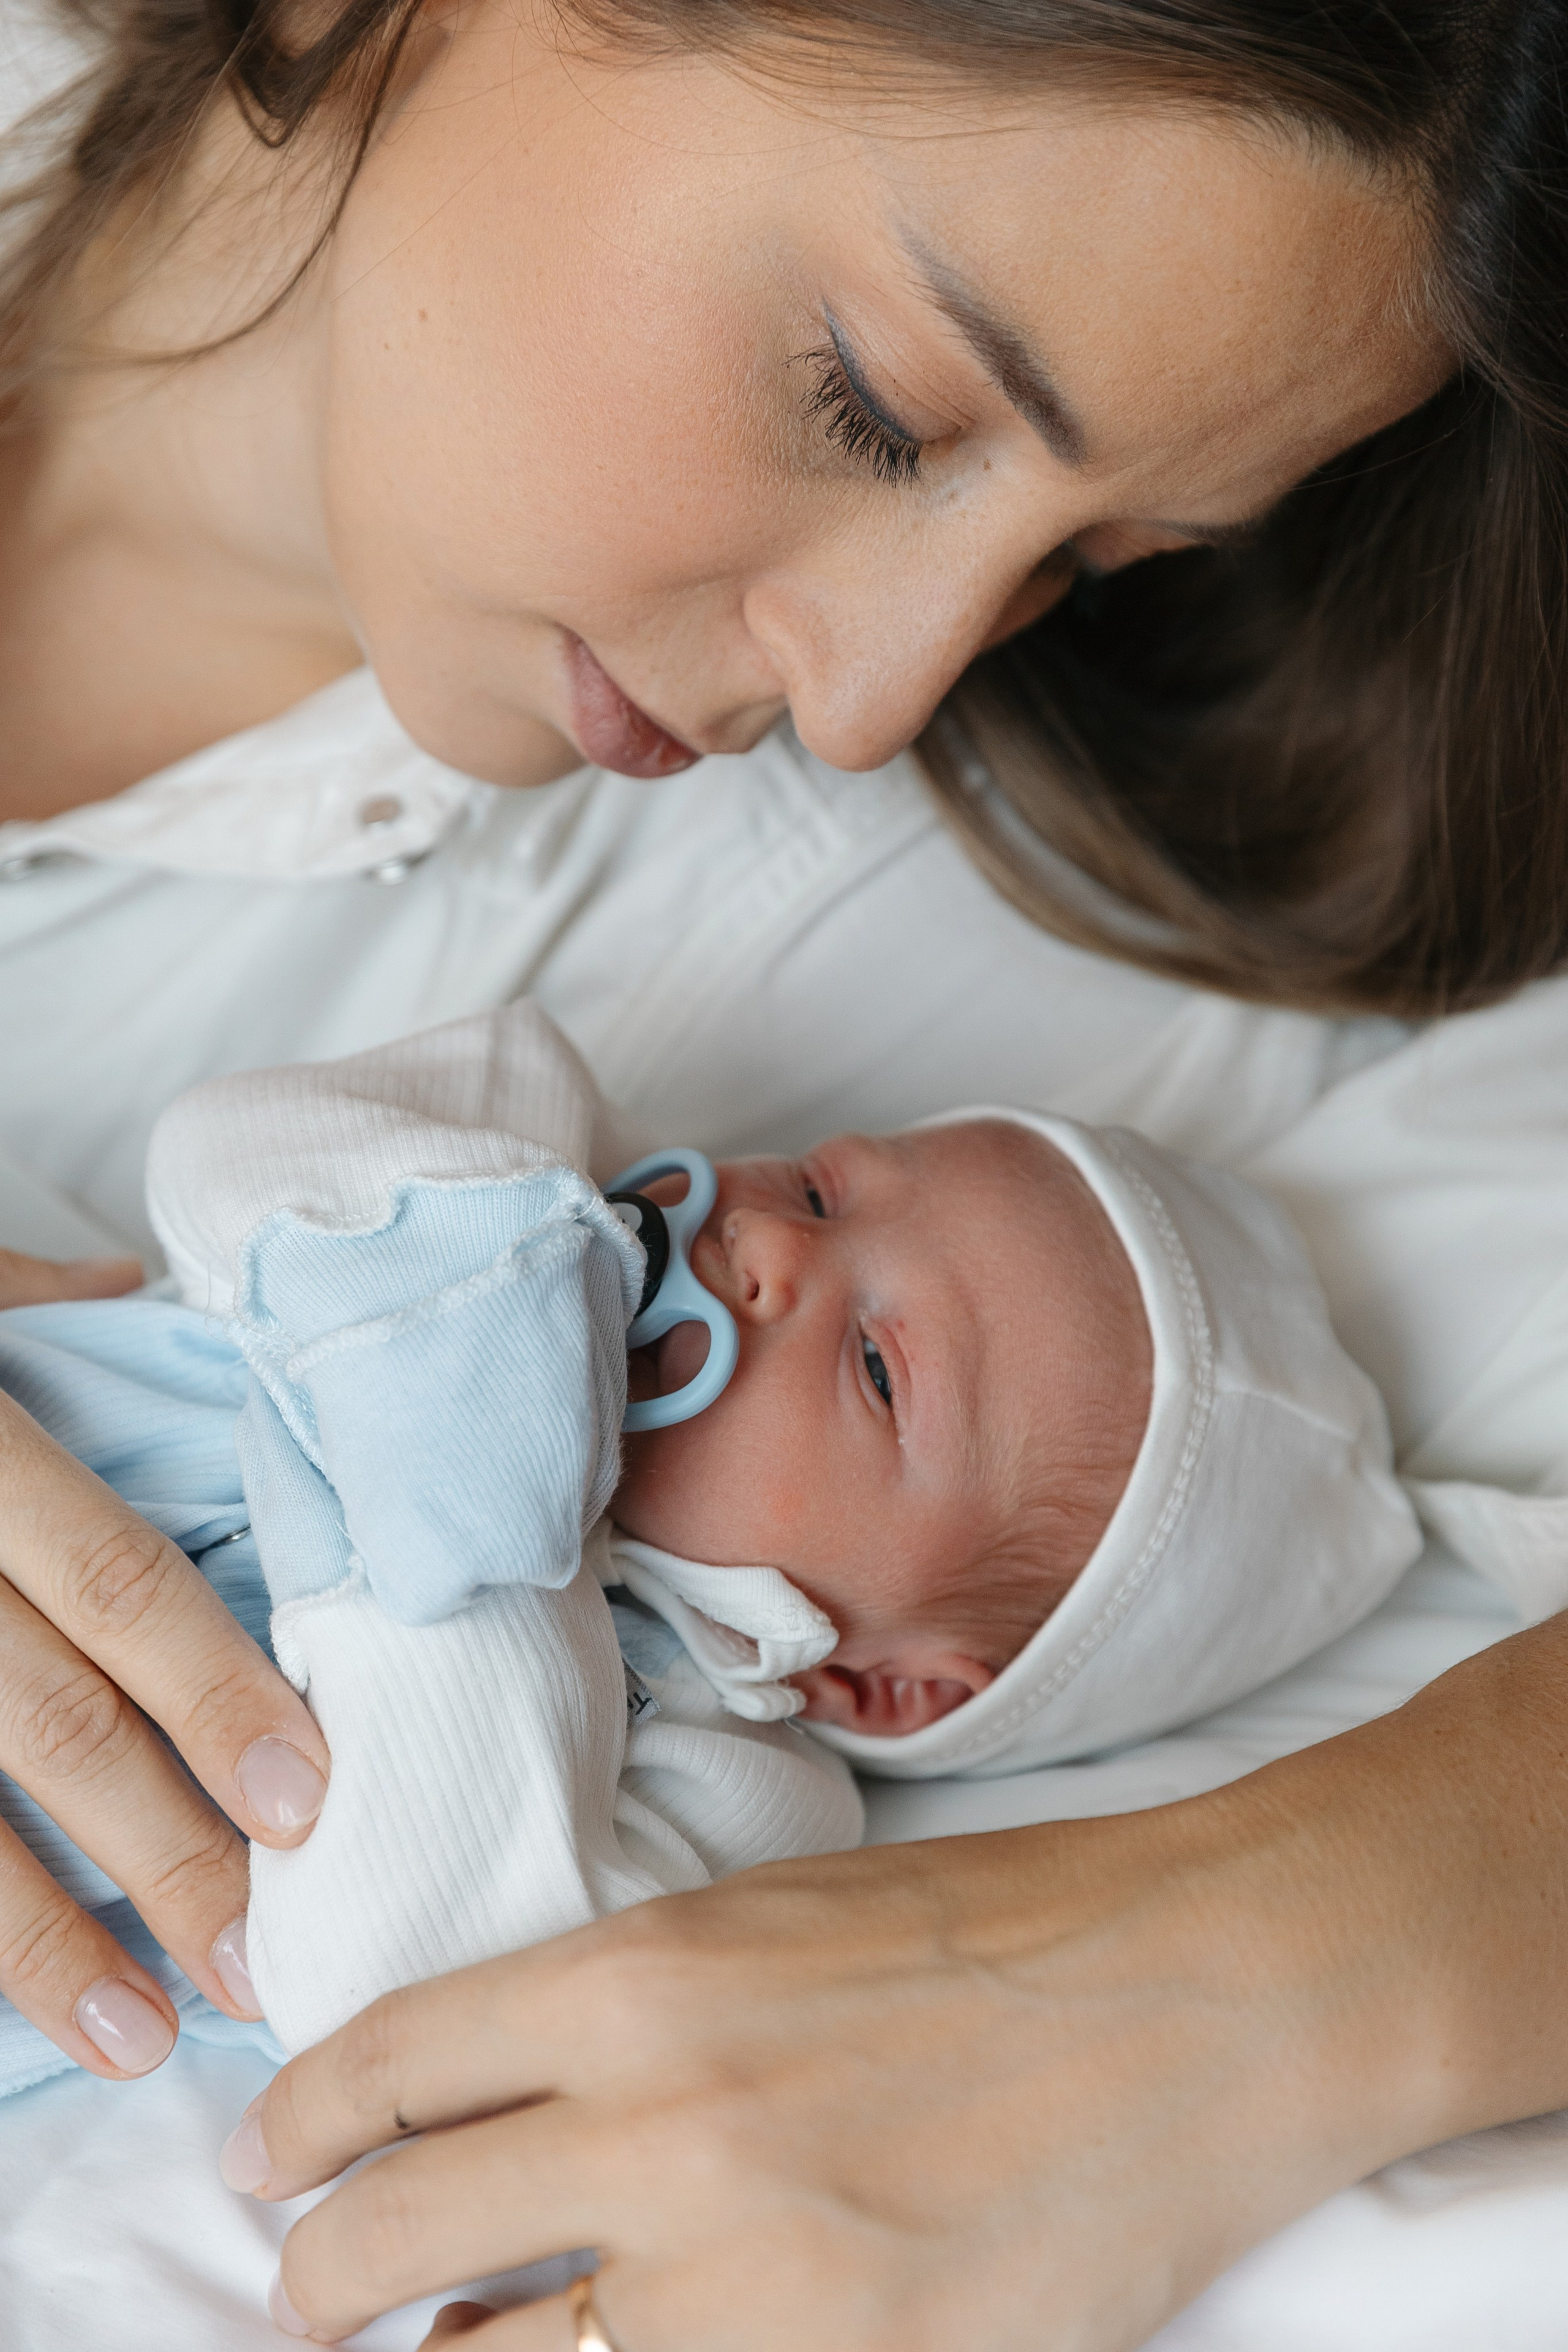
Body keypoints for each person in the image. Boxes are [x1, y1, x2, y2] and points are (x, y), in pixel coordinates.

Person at [2, 1, 1567, 2347]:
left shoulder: (1131, 973)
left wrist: (1252, 1973)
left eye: (1093, 559)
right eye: (880, 400)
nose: (869, 691)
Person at [0, 997, 1427, 2094]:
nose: (769, 1246)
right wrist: (510, 1281)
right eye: (818, 1188)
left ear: (885, 1684)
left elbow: (411, 1975)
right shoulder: (493, 1220)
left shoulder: (732, 1785)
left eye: (876, 1369)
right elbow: (241, 1147)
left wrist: (494, 1539)